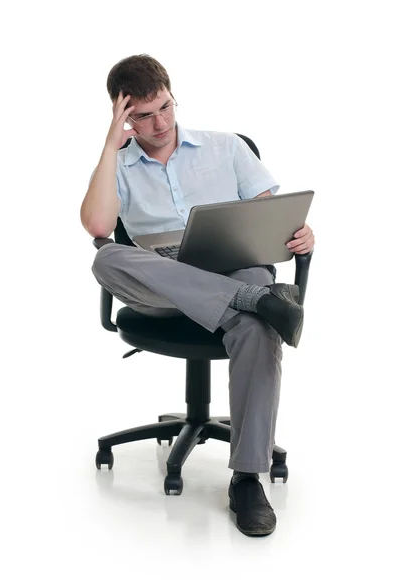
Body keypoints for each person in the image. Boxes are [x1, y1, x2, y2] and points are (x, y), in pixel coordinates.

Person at [81, 54, 315, 537]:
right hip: (160, 282)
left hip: (233, 262)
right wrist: (109, 146)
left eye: (164, 107)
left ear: (172, 93)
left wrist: (300, 235)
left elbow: (270, 219)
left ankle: (247, 479)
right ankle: (256, 298)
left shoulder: (225, 147)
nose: (158, 123)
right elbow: (99, 227)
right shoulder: (119, 163)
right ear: (122, 116)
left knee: (256, 322)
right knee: (107, 257)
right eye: (141, 115)